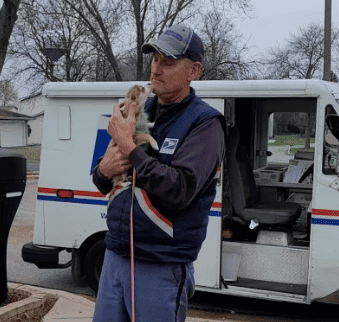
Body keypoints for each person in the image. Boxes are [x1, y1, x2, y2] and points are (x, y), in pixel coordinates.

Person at [92, 25, 226, 322]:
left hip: (161, 263)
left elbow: (179, 190)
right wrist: (104, 168)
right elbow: (99, 179)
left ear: (194, 70)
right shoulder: (134, 112)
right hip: (115, 253)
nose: (156, 69)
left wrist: (130, 147)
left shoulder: (205, 123)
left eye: (168, 62)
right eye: (154, 60)